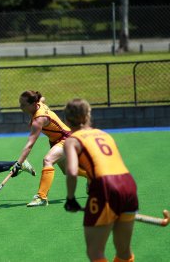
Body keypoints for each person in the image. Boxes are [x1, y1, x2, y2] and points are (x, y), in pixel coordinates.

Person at [63, 98, 138, 262]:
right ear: (89, 115)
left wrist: (70, 199)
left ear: (66, 120)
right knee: (124, 252)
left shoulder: (72, 140)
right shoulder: (105, 134)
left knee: (95, 253)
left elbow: (72, 171)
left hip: (105, 186)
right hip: (128, 184)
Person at [13, 90, 82, 207]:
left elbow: (30, 144)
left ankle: (41, 197)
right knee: (67, 171)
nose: (21, 107)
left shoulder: (39, 120)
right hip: (56, 141)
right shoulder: (38, 103)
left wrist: (19, 163)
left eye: (23, 105)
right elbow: (42, 99)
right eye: (20, 104)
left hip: (67, 139)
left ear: (33, 104)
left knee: (48, 160)